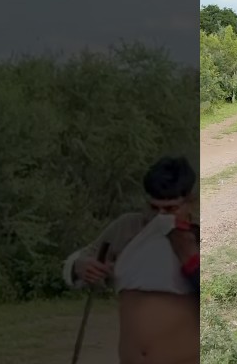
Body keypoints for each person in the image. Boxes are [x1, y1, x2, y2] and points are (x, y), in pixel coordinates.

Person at [63, 155, 200, 364]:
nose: (160, 217)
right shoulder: (128, 227)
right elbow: (84, 258)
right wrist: (79, 266)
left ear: (190, 202)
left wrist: (189, 256)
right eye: (153, 208)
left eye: (170, 209)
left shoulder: (200, 234)